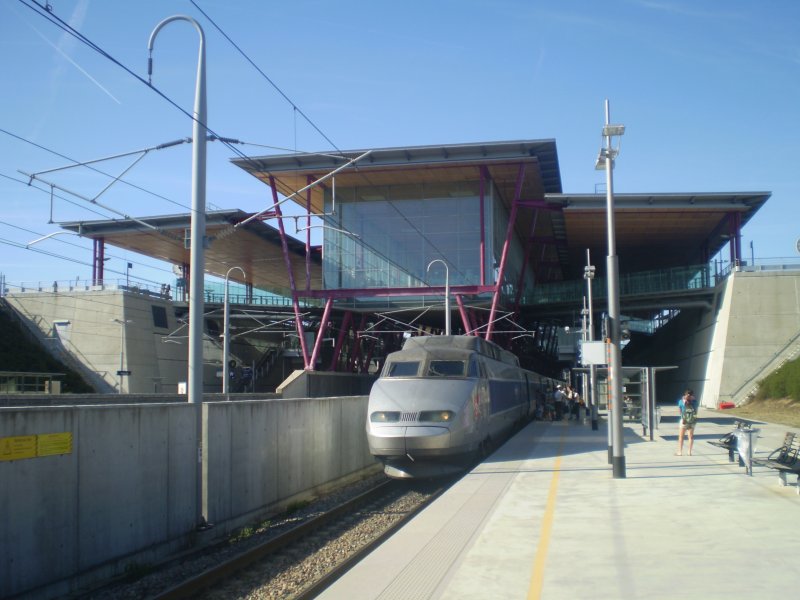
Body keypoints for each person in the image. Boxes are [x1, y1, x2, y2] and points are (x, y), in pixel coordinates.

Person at [676, 389, 698, 456]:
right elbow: (696, 412)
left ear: (685, 394)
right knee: (690, 437)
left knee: (681, 437)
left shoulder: (681, 402)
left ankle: (680, 452)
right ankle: (689, 452)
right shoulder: (695, 402)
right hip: (691, 421)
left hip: (684, 421)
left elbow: (680, 412)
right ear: (692, 395)